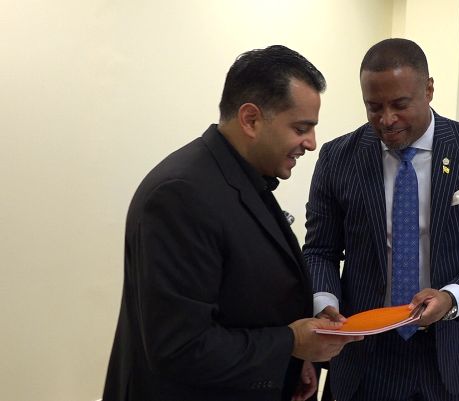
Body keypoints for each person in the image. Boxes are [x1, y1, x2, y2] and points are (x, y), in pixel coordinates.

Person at [102, 45, 362, 401]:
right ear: (251, 119)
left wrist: (296, 360)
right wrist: (291, 343)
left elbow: (246, 299)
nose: (312, 143)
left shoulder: (243, 176)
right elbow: (180, 348)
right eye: (301, 128)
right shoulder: (180, 195)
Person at [303, 38, 459, 401]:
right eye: (374, 107)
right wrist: (325, 305)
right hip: (364, 354)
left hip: (448, 353)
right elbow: (320, 250)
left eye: (400, 105)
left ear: (429, 89)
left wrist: (451, 298)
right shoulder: (338, 158)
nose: (386, 120)